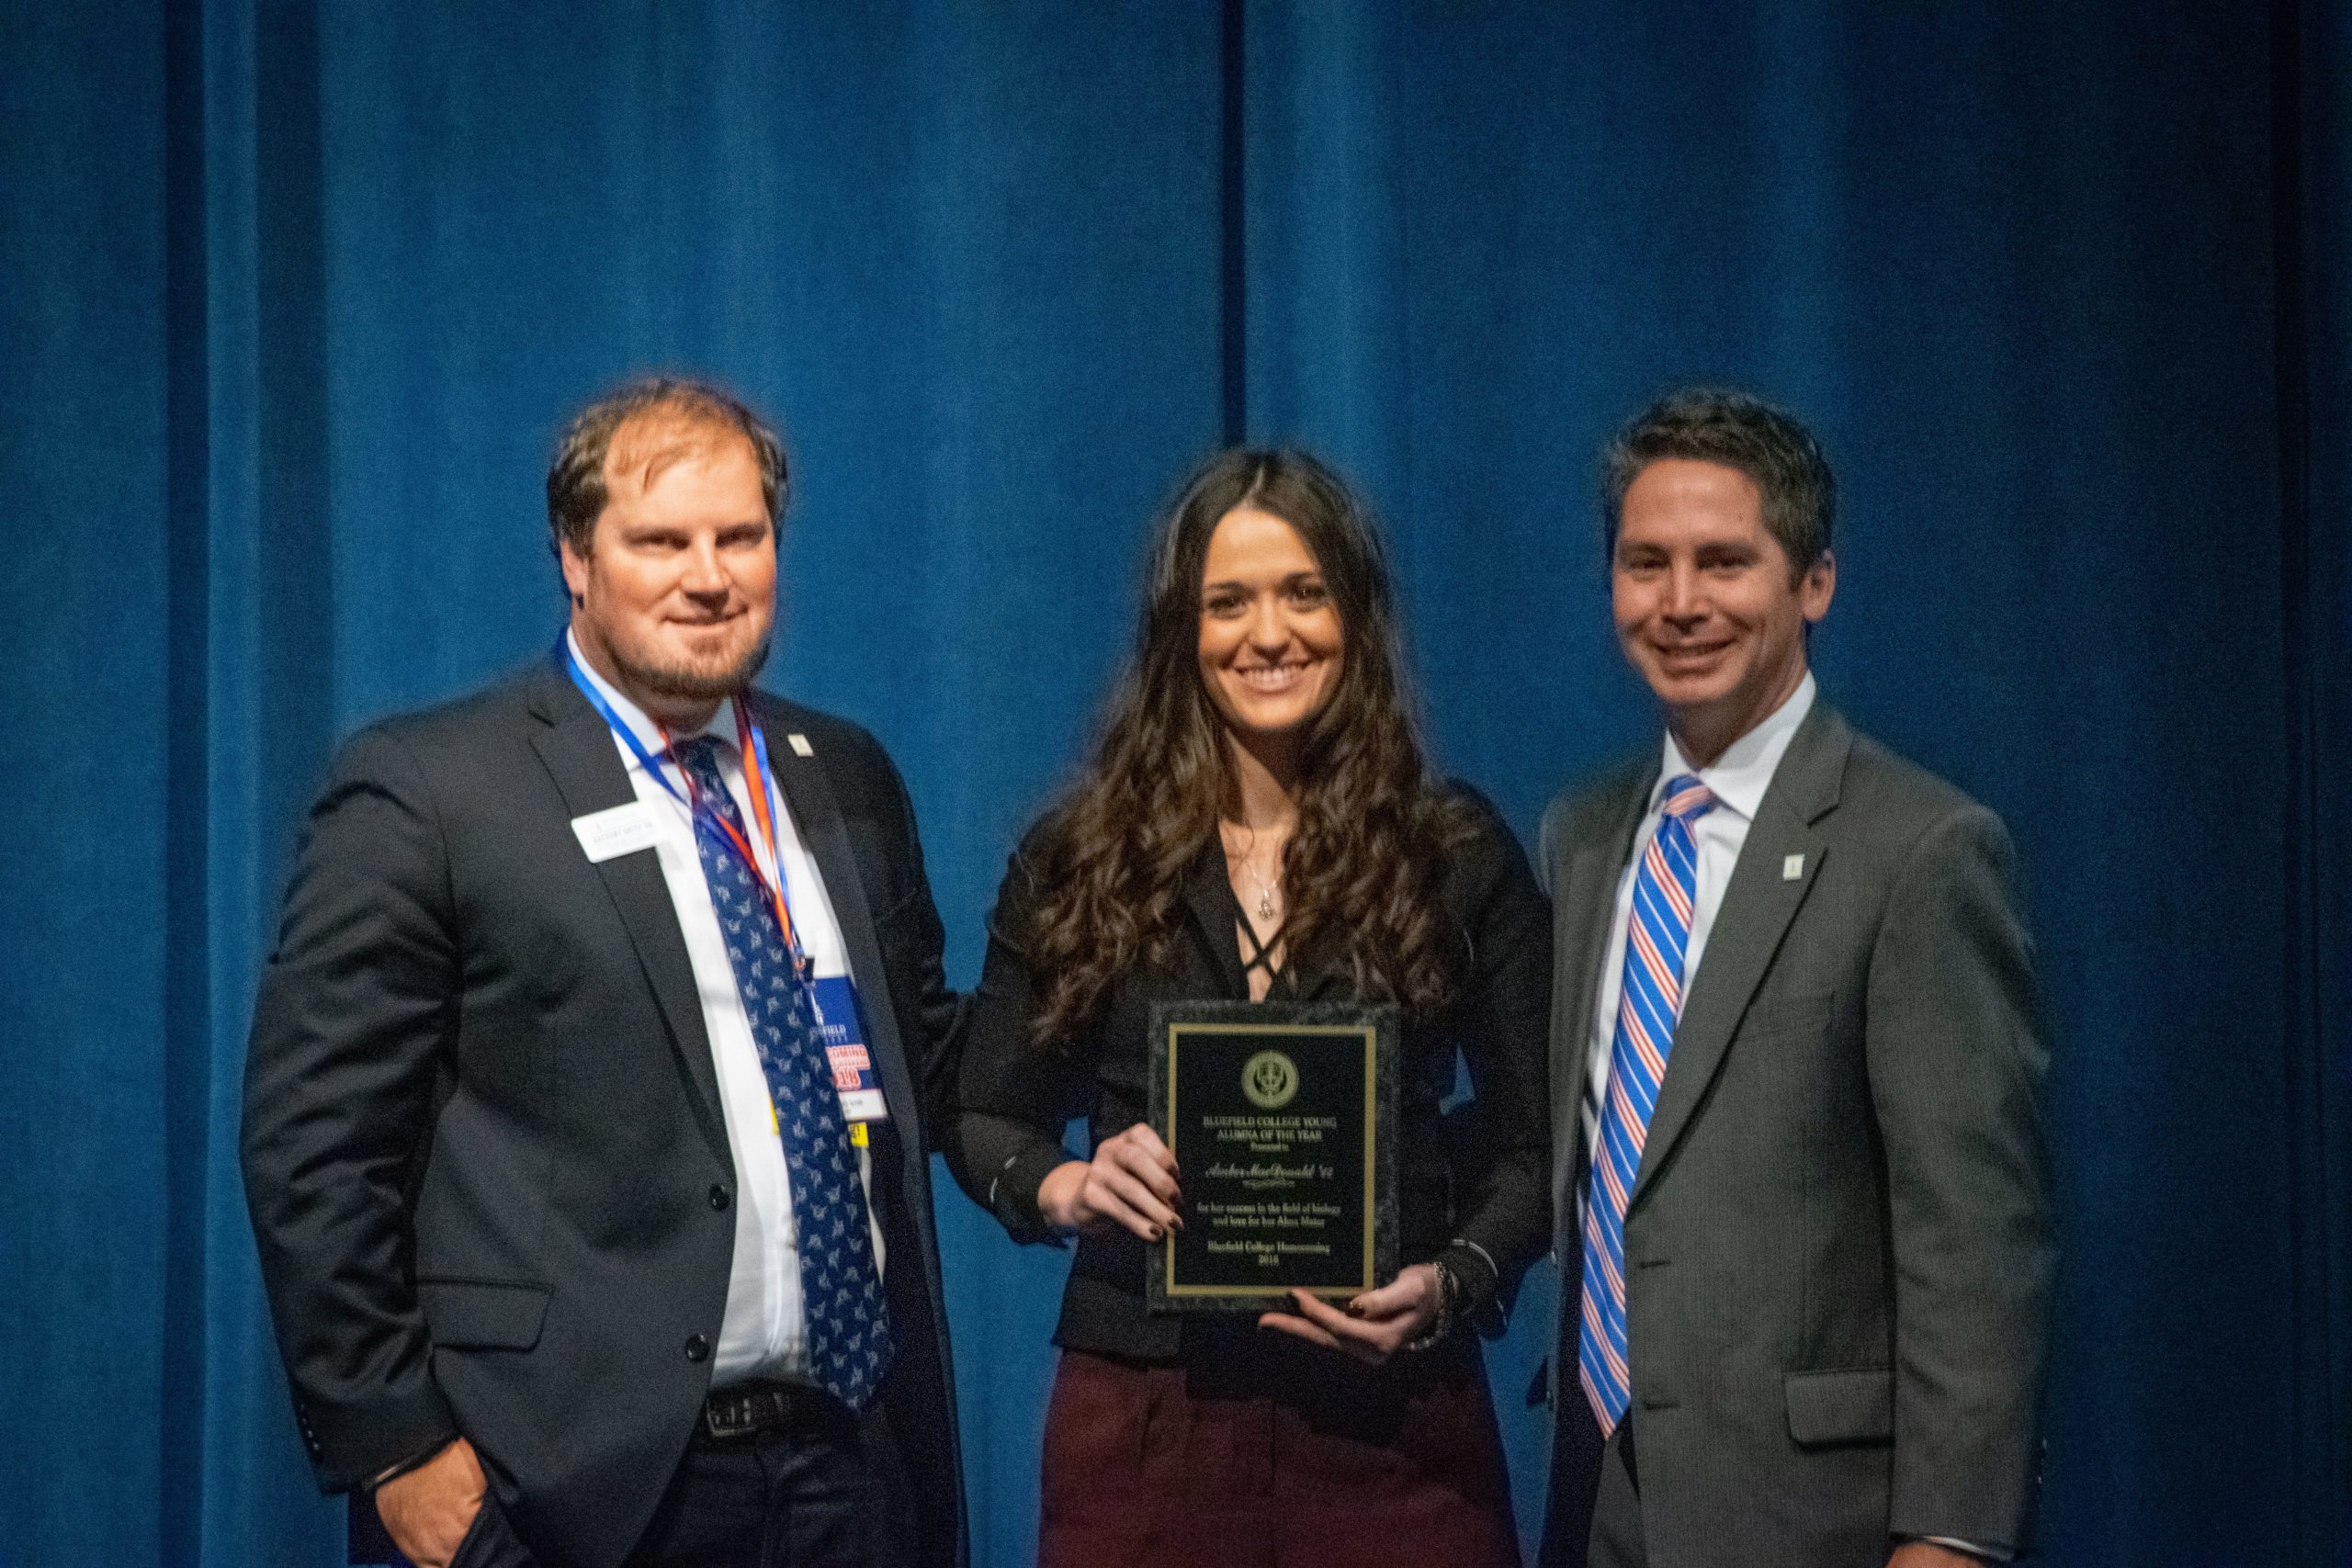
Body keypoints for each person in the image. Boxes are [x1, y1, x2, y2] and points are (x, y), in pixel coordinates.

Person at [241, 378, 966, 1568]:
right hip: (569, 1489)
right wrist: (398, 1445)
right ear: (576, 556)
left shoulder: (843, 771)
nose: (709, 574)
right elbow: (313, 1148)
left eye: (740, 536)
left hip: (853, 1465)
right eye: (660, 540)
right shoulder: (428, 789)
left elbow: (920, 1051)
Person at [946, 448, 1552, 1568]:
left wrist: (1450, 1283)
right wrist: (1071, 1186)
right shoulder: (1081, 856)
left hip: (1397, 1424)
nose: (1267, 634)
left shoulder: (1454, 851)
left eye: (1302, 594)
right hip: (1143, 1415)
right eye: (1228, 602)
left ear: (1356, 618)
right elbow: (987, 1116)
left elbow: (1538, 1145)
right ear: (1181, 630)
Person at [1536, 389, 2053, 1568]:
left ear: (1812, 582)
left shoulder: (1921, 851)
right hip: (1597, 1503)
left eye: (1724, 562)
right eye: (1643, 563)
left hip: (1820, 1526)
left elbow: (1977, 1247)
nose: (1678, 603)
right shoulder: (1581, 835)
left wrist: (1950, 1539)